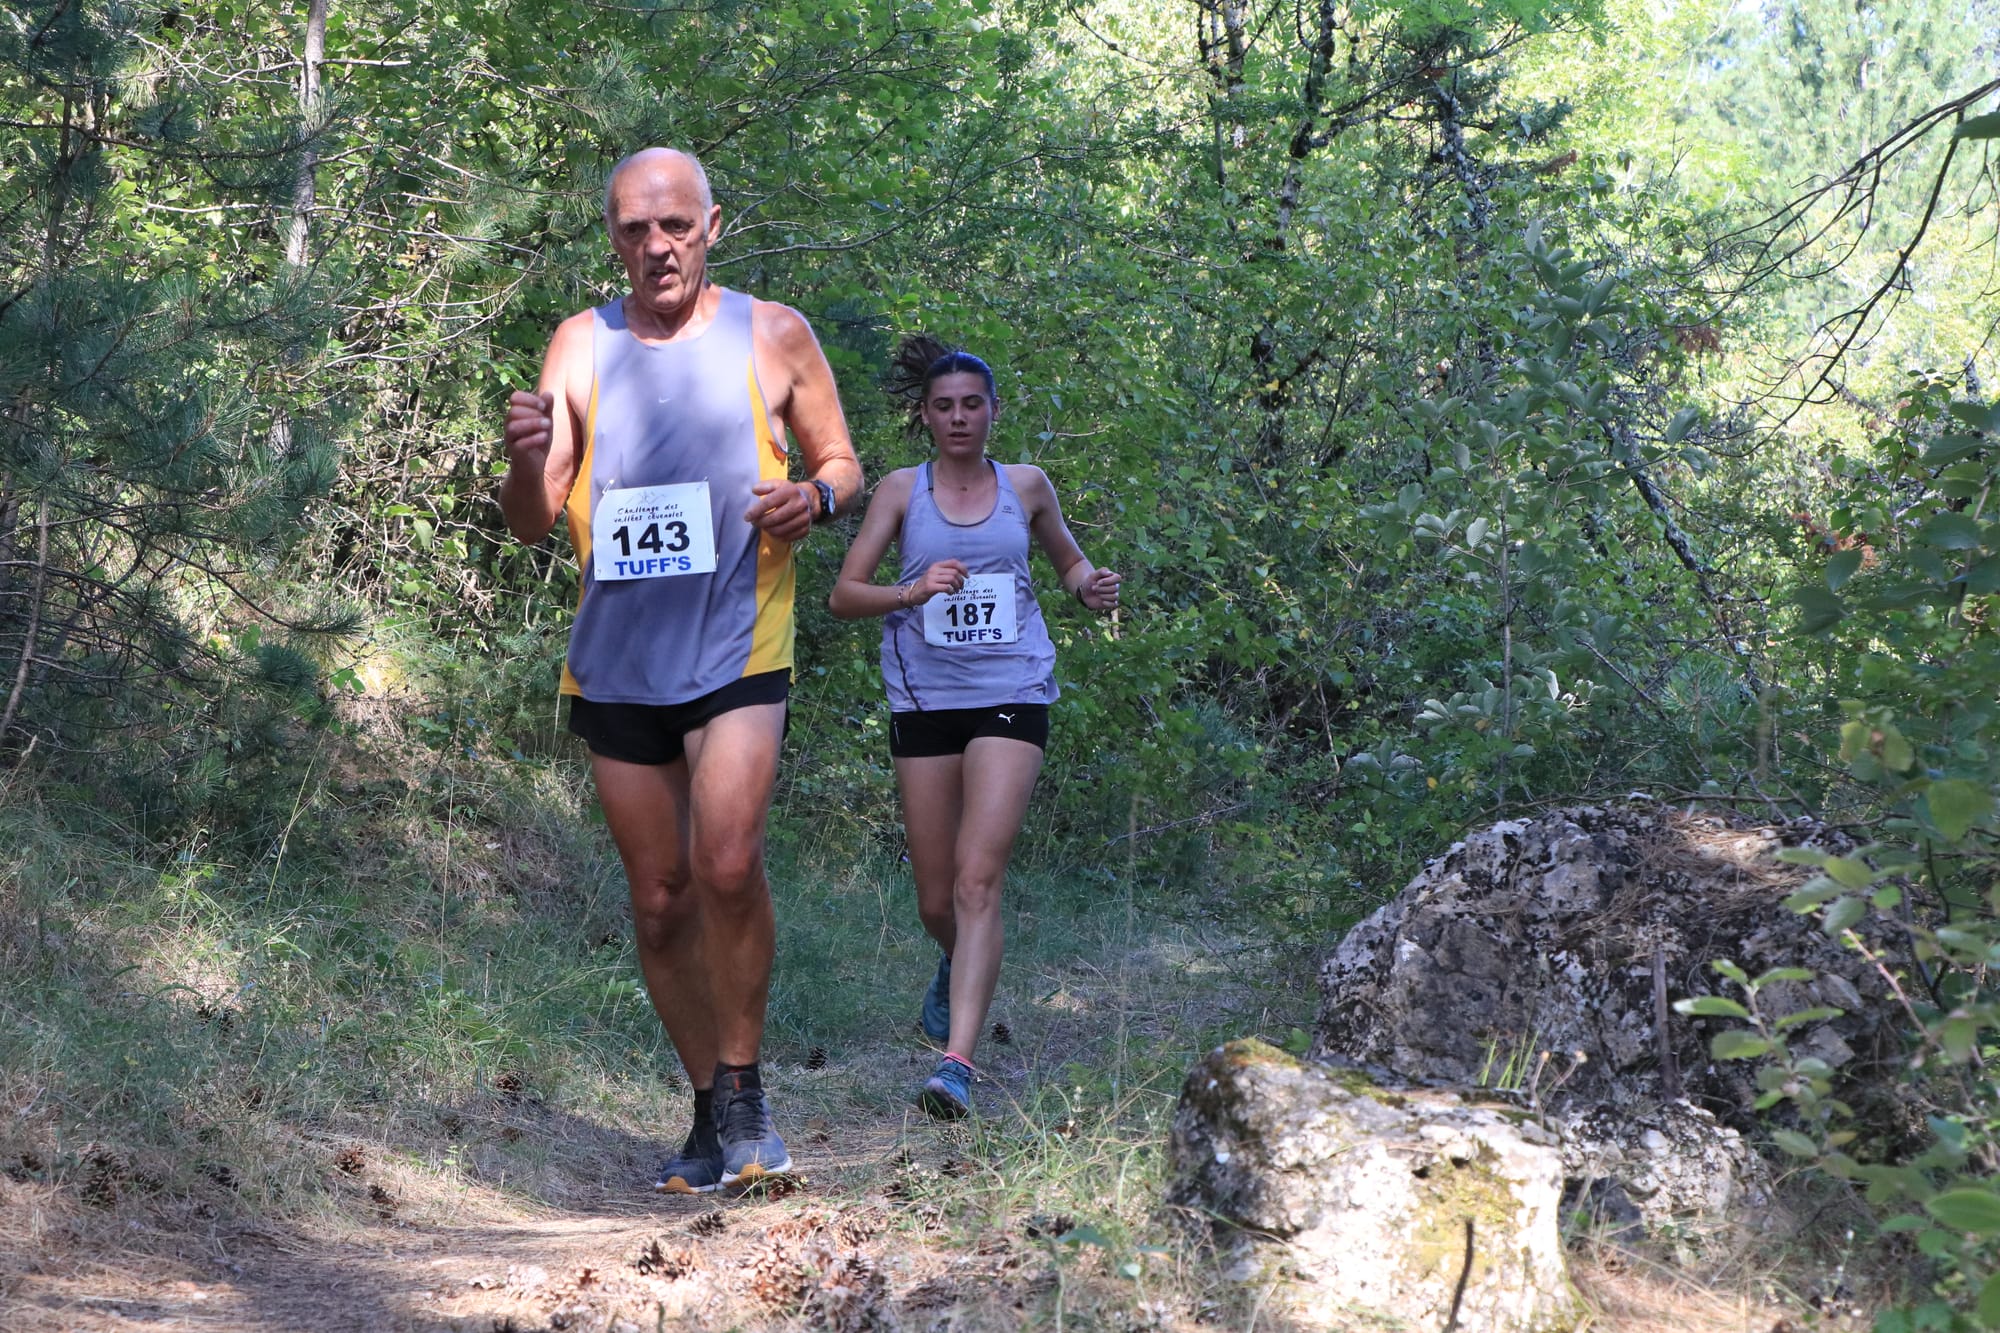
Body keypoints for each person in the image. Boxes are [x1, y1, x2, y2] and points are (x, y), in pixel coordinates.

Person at [499, 147, 862, 1191]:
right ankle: (708, 1106)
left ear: (711, 223)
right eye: (631, 229)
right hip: (616, 661)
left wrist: (818, 501)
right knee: (659, 897)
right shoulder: (579, 343)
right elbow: (531, 522)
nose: (654, 247)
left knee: (728, 863)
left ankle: (748, 1093)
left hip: (736, 642)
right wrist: (526, 460)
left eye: (673, 226)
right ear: (610, 236)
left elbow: (840, 461)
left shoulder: (772, 332)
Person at [828, 337, 1121, 1119]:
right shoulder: (899, 490)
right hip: (923, 701)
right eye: (943, 406)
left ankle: (956, 1063)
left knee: (974, 879)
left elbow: (1067, 562)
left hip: (1011, 691)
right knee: (935, 899)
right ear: (924, 416)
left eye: (972, 404)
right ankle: (959, 962)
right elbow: (844, 594)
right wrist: (911, 591)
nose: (959, 417)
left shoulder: (1026, 485)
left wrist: (1090, 585)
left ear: (993, 411)